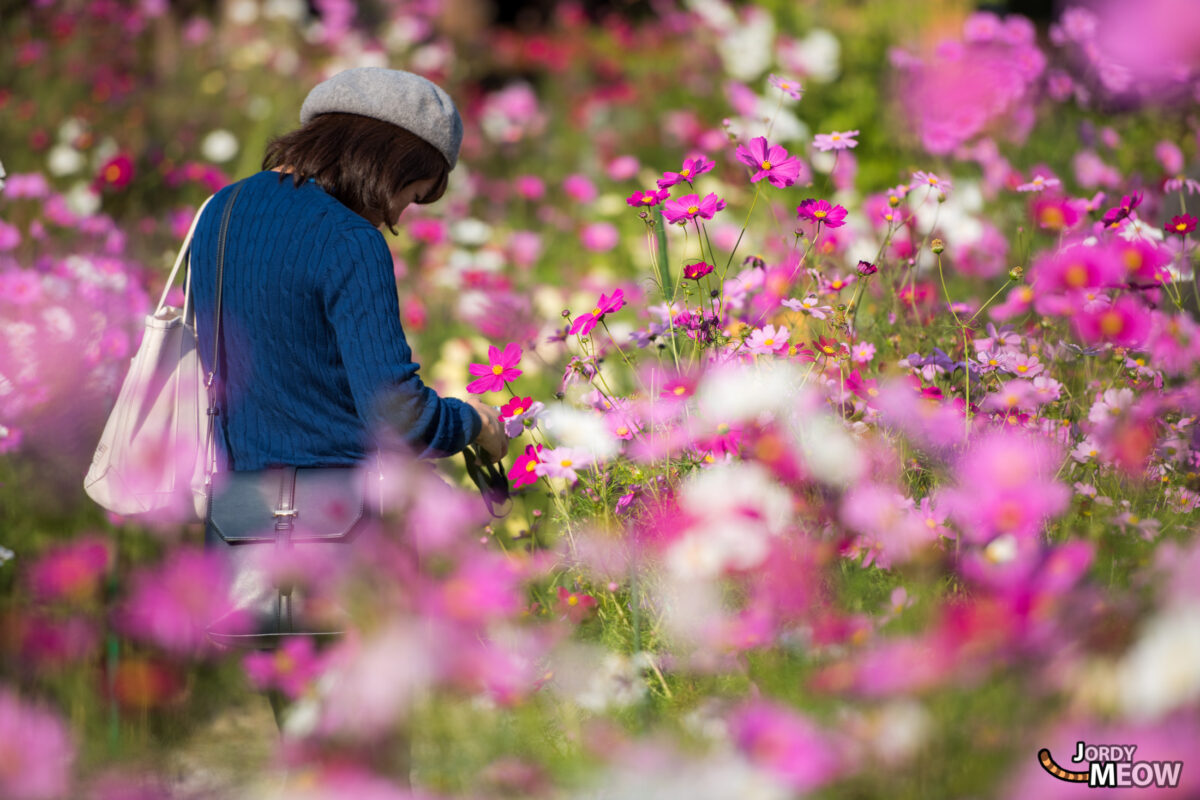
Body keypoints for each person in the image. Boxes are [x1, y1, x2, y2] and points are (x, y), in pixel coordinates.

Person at [189, 67, 507, 481]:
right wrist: (475, 422)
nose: (394, 217)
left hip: (235, 516)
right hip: (336, 522)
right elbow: (399, 418)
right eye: (409, 196)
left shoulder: (220, 209)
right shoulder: (348, 239)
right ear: (385, 160)